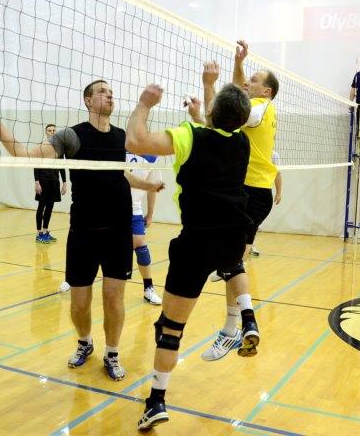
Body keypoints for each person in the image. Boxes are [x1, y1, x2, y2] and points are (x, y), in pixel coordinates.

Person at [0, 79, 162, 381]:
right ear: (88, 100)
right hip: (84, 231)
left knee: (114, 298)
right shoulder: (71, 136)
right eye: (102, 92)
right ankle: (85, 342)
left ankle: (112, 353)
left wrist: (148, 184)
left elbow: (121, 174)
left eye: (111, 92)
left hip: (118, 230)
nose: (109, 95)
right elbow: (24, 155)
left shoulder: (122, 137)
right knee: (79, 304)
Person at [125, 77, 258, 431]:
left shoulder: (189, 136)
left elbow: (135, 140)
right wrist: (208, 97)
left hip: (197, 244)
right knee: (234, 264)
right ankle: (245, 319)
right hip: (233, 238)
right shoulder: (242, 142)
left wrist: (145, 103)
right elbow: (216, 131)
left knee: (170, 328)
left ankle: (156, 401)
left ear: (213, 112)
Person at [202, 40, 279, 361]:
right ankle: (234, 327)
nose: (249, 82)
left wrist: (209, 87)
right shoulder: (262, 106)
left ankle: (236, 328)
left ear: (267, 91)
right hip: (252, 192)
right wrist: (238, 63)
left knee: (232, 260)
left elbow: (220, 115)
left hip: (249, 193)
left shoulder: (258, 110)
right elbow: (239, 90)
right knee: (233, 260)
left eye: (255, 80)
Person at [125, 152, 164, 304]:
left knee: (140, 243)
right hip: (111, 208)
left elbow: (153, 187)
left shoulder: (152, 156)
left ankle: (148, 288)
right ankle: (74, 279)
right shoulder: (118, 146)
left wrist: (150, 213)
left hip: (134, 209)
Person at [34, 124, 67, 244]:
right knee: (41, 206)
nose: (52, 132)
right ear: (46, 132)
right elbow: (36, 165)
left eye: (54, 130)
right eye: (49, 130)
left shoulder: (59, 148)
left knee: (50, 207)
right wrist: (37, 182)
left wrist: (64, 182)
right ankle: (39, 234)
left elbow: (62, 167)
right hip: (43, 180)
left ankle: (45, 231)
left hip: (54, 181)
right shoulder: (41, 146)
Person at [250, 150, 282, 257]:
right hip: (246, 188)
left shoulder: (274, 155)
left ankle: (250, 246)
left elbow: (277, 174)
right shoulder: (252, 149)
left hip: (262, 191)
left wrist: (278, 193)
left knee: (254, 221)